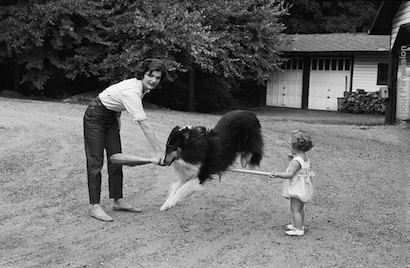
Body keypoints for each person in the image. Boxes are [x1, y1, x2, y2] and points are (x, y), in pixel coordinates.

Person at [83, 58, 168, 222]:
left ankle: (118, 200)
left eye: (158, 78)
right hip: (95, 116)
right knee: (95, 160)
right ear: (143, 74)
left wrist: (117, 120)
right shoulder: (133, 91)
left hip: (111, 117)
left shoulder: (142, 88)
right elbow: (145, 125)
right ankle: (95, 206)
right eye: (151, 75)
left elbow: (117, 102)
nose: (154, 80)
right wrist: (159, 152)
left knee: (116, 158)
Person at [270, 130, 314, 236]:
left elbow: (290, 174)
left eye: (290, 145)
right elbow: (298, 169)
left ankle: (298, 229)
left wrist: (277, 175)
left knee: (295, 209)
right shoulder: (304, 157)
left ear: (294, 146)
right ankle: (299, 225)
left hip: (297, 187)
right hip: (303, 186)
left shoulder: (296, 161)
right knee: (299, 208)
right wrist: (291, 159)